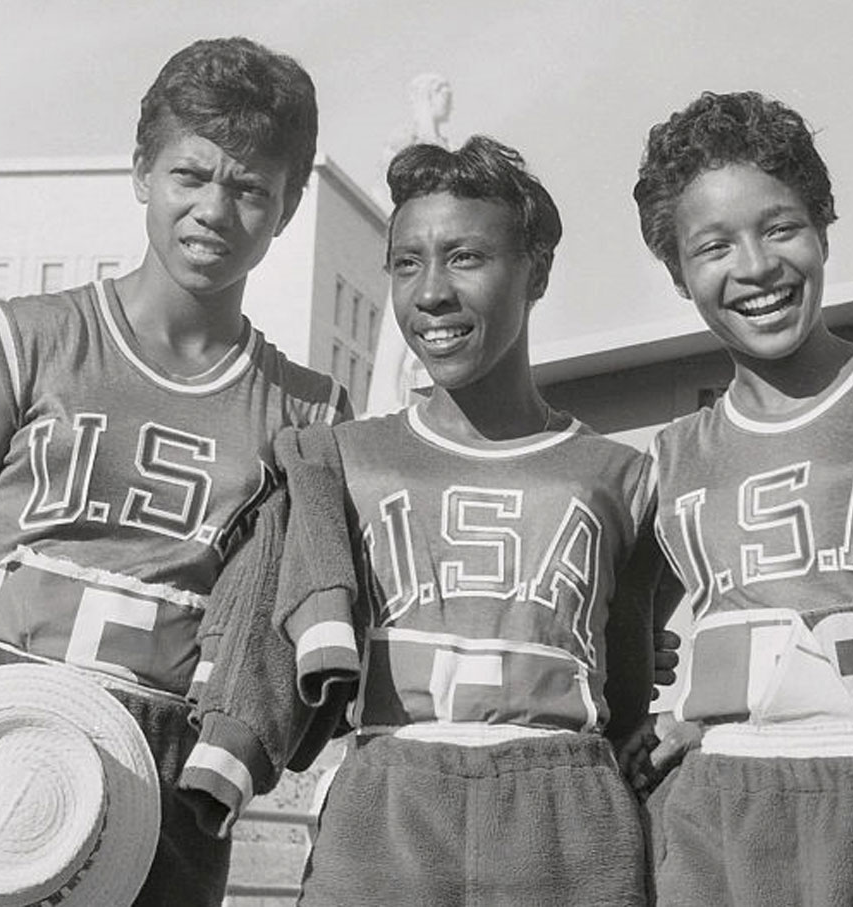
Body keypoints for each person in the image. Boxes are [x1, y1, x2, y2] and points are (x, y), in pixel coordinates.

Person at [0, 36, 348, 906]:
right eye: (190, 174)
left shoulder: (310, 416)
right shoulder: (22, 343)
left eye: (249, 188)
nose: (214, 208)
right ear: (140, 170)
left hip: (165, 781)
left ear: (287, 207)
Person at [629, 90, 853, 906]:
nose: (756, 266)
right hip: (735, 840)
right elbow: (647, 656)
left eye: (780, 227)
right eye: (714, 245)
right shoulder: (672, 462)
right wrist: (677, 718)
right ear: (677, 272)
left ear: (823, 227)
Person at [275, 135, 658, 905]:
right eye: (407, 262)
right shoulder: (340, 460)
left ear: (536, 271)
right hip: (384, 823)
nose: (431, 292)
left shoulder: (622, 478)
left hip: (568, 835)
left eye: (465, 257)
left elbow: (630, 699)